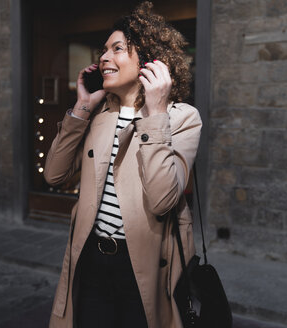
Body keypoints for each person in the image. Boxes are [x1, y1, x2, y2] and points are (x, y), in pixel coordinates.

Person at [43, 2, 202, 327]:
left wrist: (155, 113)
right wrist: (81, 108)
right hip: (90, 260)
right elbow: (54, 175)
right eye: (103, 50)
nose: (103, 58)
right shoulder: (99, 113)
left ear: (150, 61)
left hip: (142, 266)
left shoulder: (181, 117)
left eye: (117, 49)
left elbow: (162, 200)